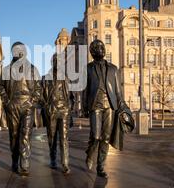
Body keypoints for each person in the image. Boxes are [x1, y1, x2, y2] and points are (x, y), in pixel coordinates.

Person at [83, 40, 135, 178]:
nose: (101, 49)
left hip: (110, 106)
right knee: (96, 135)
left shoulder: (113, 68)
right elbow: (85, 89)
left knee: (105, 137)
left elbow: (118, 91)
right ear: (92, 52)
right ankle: (89, 154)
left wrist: (123, 106)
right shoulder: (88, 68)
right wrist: (84, 107)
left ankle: (100, 167)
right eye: (97, 47)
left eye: (102, 47)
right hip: (95, 105)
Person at [0, 42, 41, 177]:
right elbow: (1, 87)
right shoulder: (6, 70)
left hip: (27, 105)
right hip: (13, 105)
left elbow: (39, 89)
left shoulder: (33, 69)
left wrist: (32, 102)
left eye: (21, 50)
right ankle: (15, 160)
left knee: (25, 134)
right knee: (14, 136)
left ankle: (25, 163)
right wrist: (6, 101)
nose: (19, 52)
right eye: (16, 50)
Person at [42, 54, 71, 175]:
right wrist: (46, 106)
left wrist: (69, 107)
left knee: (64, 138)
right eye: (55, 61)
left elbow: (70, 95)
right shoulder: (45, 78)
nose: (57, 63)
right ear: (52, 62)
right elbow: (41, 95)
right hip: (52, 109)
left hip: (64, 110)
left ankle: (65, 163)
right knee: (52, 137)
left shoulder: (66, 78)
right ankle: (53, 159)